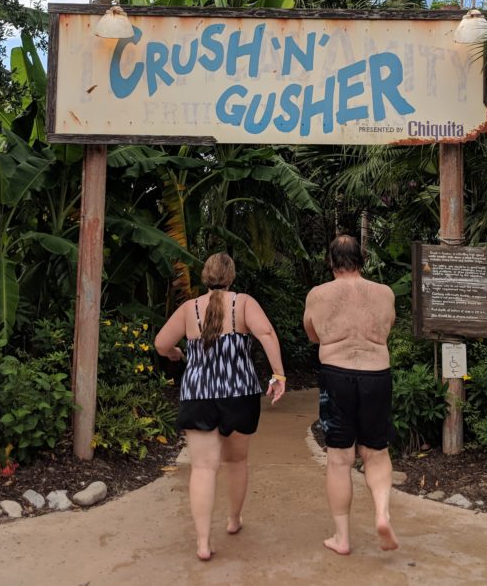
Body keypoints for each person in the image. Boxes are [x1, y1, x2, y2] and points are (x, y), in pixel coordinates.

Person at [154, 252, 287, 562]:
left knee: (202, 468)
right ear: (231, 276)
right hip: (239, 394)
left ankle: (203, 542)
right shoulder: (243, 303)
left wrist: (175, 352)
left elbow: (161, 343)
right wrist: (278, 373)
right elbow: (266, 333)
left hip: (198, 395)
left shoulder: (189, 309)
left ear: (205, 276)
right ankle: (234, 520)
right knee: (237, 462)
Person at [304, 234, 398, 555]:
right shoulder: (384, 293)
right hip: (377, 376)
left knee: (339, 459)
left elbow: (312, 333)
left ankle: (342, 538)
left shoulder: (318, 294)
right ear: (362, 259)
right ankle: (382, 514)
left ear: (331, 262)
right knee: (376, 452)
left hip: (337, 376)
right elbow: (387, 327)